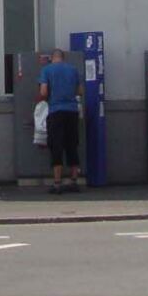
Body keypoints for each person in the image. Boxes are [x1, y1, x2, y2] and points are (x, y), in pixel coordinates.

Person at [37, 48, 84, 194]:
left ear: (52, 58)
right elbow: (80, 92)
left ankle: (57, 183)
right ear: (63, 58)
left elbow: (43, 92)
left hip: (55, 111)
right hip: (72, 111)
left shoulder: (47, 70)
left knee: (56, 145)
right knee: (72, 144)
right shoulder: (73, 70)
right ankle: (74, 181)